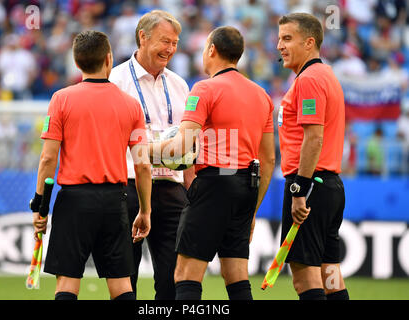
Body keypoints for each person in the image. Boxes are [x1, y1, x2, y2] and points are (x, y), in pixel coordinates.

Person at [150, 26, 275, 300]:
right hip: (247, 185)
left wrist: (144, 150)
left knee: (185, 274)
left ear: (212, 50)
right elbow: (268, 159)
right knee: (236, 275)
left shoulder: (204, 89)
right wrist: (252, 209)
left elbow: (182, 146)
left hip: (214, 184)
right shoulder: (261, 95)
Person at [30, 30, 152, 300]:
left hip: (74, 202)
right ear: (109, 59)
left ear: (76, 62)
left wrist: (40, 206)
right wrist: (145, 210)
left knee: (67, 284)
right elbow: (142, 165)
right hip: (114, 201)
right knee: (121, 286)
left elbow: (48, 159)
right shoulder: (131, 105)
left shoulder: (61, 99)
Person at [109, 10, 195, 300]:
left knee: (173, 279)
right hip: (128, 188)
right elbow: (109, 139)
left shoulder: (180, 85)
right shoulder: (116, 80)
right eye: (164, 41)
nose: (170, 49)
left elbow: (190, 143)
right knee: (125, 278)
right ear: (142, 37)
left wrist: (191, 191)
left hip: (172, 190)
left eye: (175, 42)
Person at [276, 13, 349, 300]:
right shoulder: (326, 75)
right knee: (330, 275)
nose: (280, 45)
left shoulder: (309, 79)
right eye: (279, 38)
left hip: (309, 186)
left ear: (309, 43)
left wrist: (299, 189)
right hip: (329, 185)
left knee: (305, 280)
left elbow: (314, 136)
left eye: (287, 38)